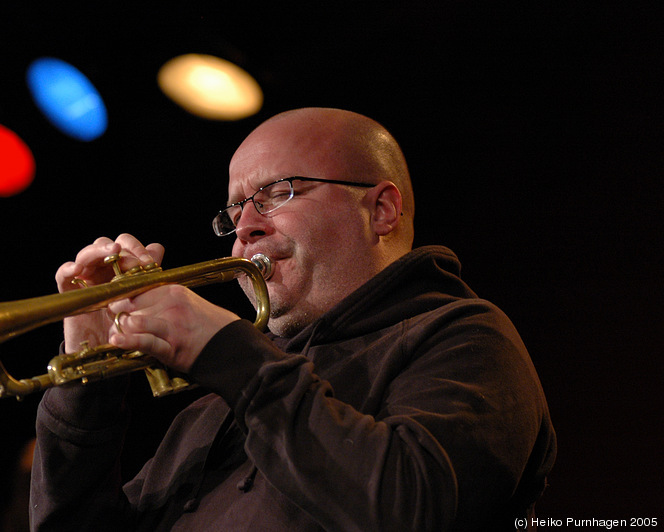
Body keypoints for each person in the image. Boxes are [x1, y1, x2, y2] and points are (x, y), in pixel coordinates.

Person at [30, 108, 556, 531]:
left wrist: (227, 353)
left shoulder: (465, 336)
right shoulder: (213, 410)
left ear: (381, 211)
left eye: (277, 193)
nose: (245, 230)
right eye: (235, 212)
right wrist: (84, 380)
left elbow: (411, 507)